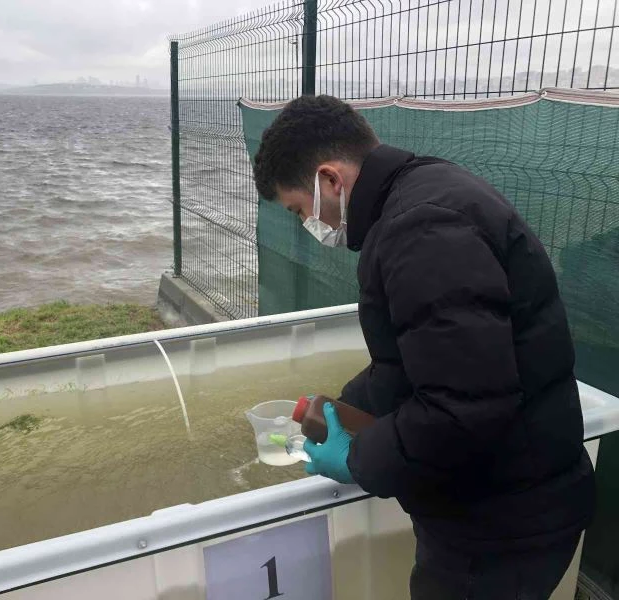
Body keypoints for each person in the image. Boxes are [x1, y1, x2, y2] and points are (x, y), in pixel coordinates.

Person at [252, 94, 596, 600]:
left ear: (330, 180)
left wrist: (360, 460)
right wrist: (342, 408)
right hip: (515, 496)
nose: (310, 224)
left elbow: (465, 410)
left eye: (300, 209)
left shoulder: (422, 231)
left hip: (501, 524)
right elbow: (420, 363)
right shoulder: (421, 197)